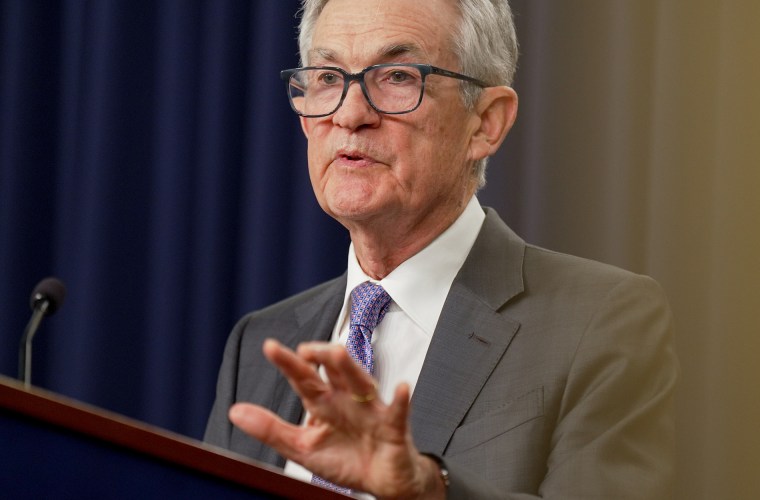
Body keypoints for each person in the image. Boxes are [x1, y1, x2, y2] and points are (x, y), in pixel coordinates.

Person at [203, 0, 677, 497]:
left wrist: (428, 490)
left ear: (486, 123)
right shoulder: (260, 342)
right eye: (327, 77)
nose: (349, 113)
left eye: (399, 77)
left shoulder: (598, 322)